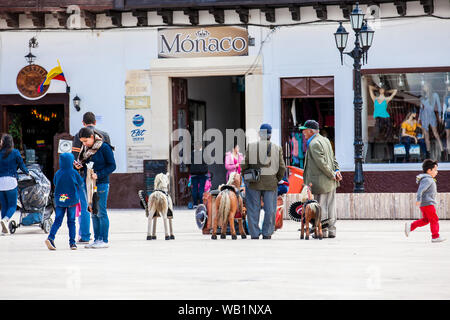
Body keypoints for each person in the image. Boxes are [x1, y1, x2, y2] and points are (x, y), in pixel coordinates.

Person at [72, 112, 112, 244]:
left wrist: (98, 174)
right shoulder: (90, 144)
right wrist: (79, 166)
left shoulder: (102, 146)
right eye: (82, 142)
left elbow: (111, 164)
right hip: (88, 181)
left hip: (98, 181)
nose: (85, 144)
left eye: (86, 141)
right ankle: (96, 239)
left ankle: (97, 238)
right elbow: (82, 161)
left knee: (98, 210)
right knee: (92, 211)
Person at [241, 123, 286, 239]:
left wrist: (246, 178)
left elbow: (244, 165)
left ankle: (254, 234)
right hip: (271, 183)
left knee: (252, 209)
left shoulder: (251, 147)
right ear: (270, 135)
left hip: (253, 183)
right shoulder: (276, 148)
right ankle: (267, 233)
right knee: (270, 209)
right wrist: (277, 179)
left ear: (259, 134)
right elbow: (282, 168)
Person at [301, 120, 342, 238]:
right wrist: (336, 171)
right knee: (331, 206)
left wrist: (332, 174)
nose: (303, 132)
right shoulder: (325, 140)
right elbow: (332, 158)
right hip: (330, 181)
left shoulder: (314, 144)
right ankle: (332, 231)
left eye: (304, 130)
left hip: (321, 181)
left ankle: (322, 231)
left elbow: (322, 164)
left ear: (310, 131)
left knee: (321, 206)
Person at [45, 153, 84, 250]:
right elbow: (80, 182)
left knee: (58, 220)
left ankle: (51, 238)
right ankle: (72, 243)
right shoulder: (74, 172)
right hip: (72, 200)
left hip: (60, 200)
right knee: (71, 221)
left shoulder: (58, 173)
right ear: (71, 161)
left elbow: (54, 182)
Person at [405, 159, 446, 243]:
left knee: (426, 220)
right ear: (429, 170)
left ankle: (410, 226)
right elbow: (420, 190)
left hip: (426, 203)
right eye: (435, 170)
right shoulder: (427, 179)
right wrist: (418, 199)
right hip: (427, 203)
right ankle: (435, 236)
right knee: (434, 219)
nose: (437, 172)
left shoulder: (428, 179)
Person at [0, 134, 29, 235]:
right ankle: (5, 220)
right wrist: (27, 172)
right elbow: (22, 165)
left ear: (4, 142)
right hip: (11, 181)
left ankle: (4, 230)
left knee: (4, 206)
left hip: (0, 182)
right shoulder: (15, 152)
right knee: (12, 205)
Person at [189, 142, 208, 209]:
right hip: (202, 173)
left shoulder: (191, 153)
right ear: (201, 147)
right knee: (201, 188)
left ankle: (195, 204)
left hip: (194, 174)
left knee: (194, 188)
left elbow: (188, 162)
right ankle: (201, 203)